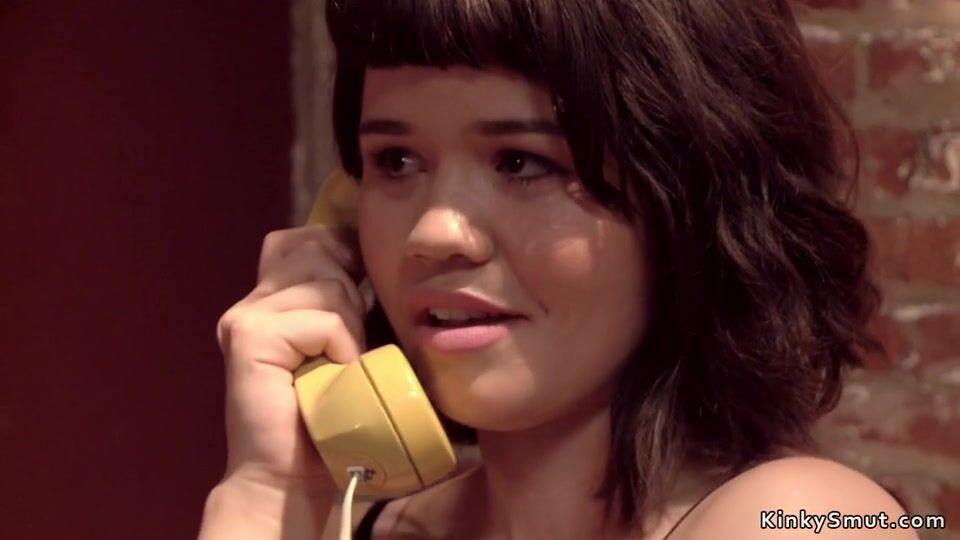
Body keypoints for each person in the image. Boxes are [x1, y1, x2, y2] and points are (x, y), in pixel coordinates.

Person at [199, 1, 919, 538]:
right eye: (397, 160)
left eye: (522, 162)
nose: (433, 232)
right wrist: (266, 492)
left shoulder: (803, 521)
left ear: (691, 199)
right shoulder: (377, 525)